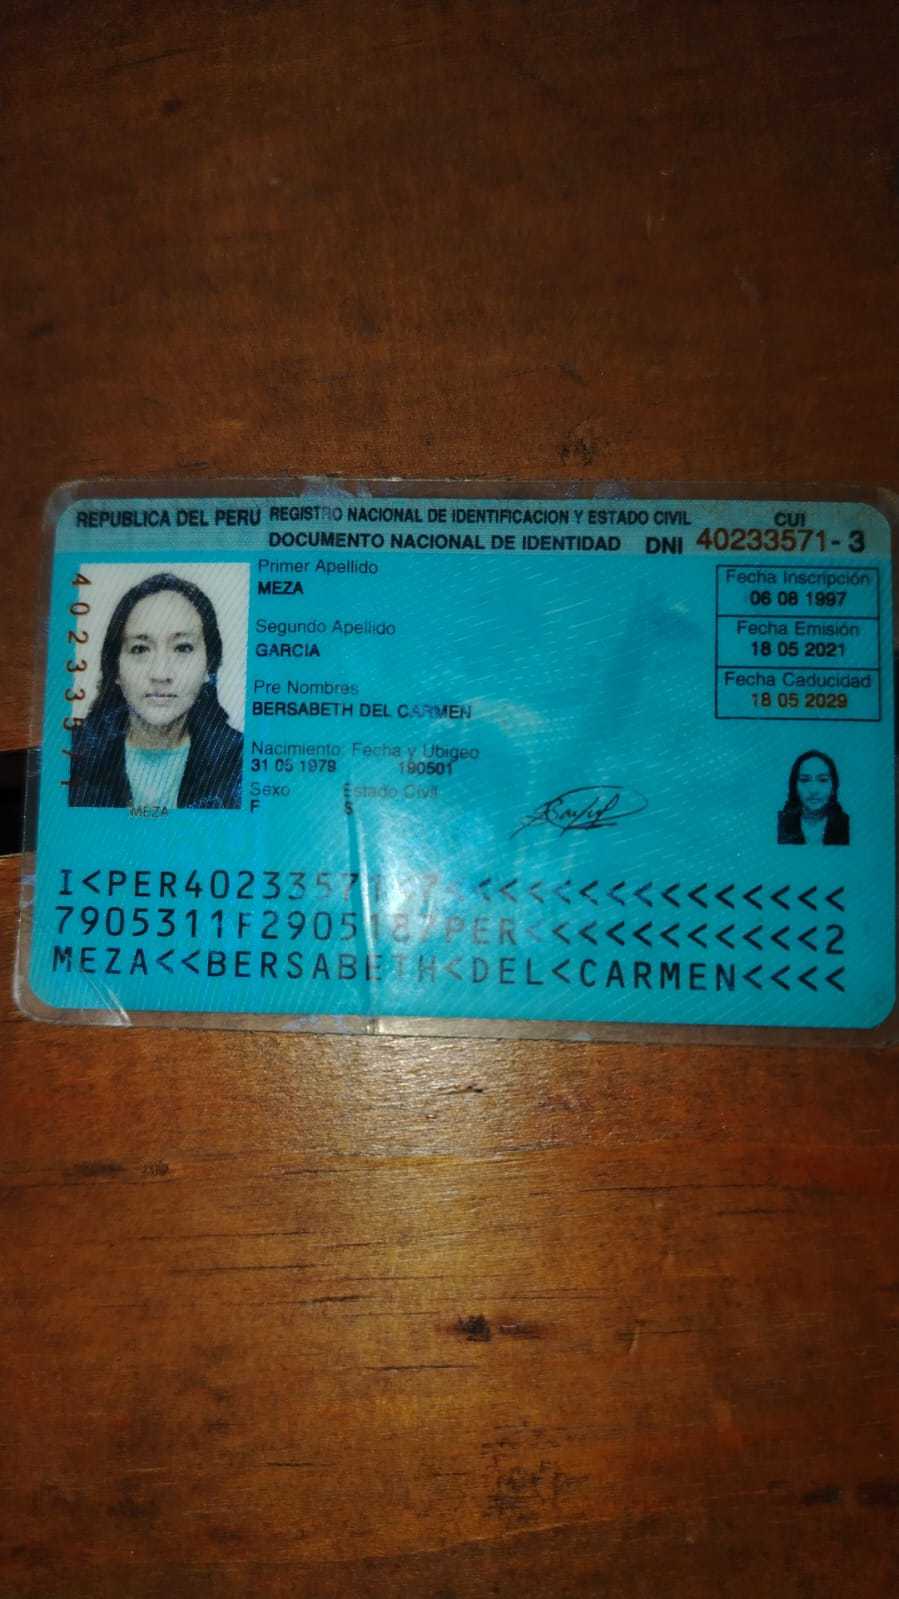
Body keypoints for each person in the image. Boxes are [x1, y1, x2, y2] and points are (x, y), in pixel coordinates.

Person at [69, 572, 243, 809]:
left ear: (209, 667)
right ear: (115, 668)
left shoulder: (239, 760)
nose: (161, 674)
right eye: (140, 649)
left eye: (182, 648)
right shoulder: (74, 754)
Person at [777, 749, 849, 845]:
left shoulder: (848, 825)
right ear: (794, 786)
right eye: (805, 780)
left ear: (833, 787)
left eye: (823, 780)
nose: (813, 790)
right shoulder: (779, 823)